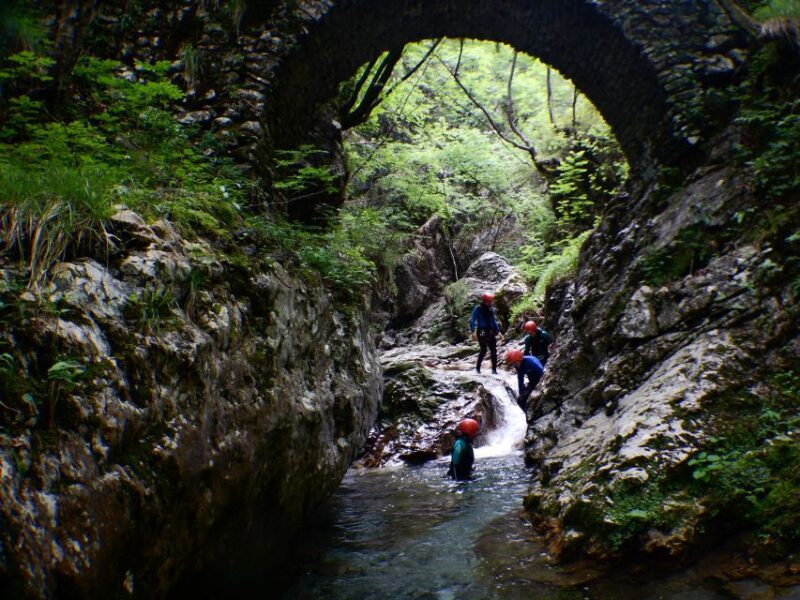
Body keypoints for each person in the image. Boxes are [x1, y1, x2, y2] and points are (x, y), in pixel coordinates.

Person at [470, 292, 500, 374]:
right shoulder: (478, 308)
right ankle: (478, 369)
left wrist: (498, 331)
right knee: (483, 350)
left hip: (491, 332)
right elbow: (472, 319)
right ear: (484, 300)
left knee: (494, 351)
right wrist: (473, 332)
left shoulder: (491, 309)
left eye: (491, 301)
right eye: (489, 301)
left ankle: (494, 370)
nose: (490, 302)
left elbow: (493, 321)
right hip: (481, 332)